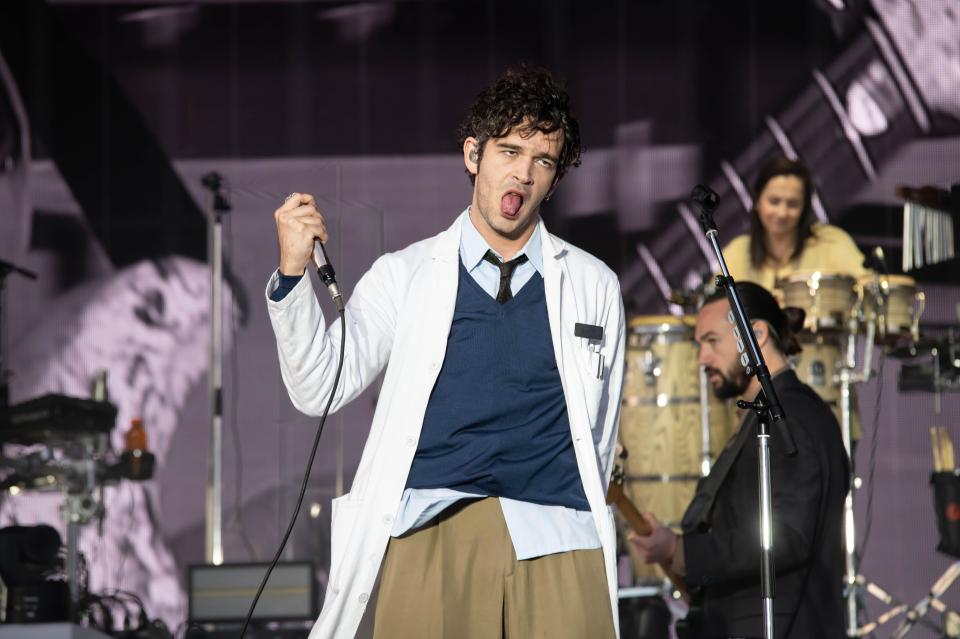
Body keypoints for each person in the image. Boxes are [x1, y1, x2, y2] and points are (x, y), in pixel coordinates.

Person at [266, 66, 625, 639]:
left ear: (555, 180)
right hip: (434, 530)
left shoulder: (593, 284)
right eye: (509, 151)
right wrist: (291, 272)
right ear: (472, 155)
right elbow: (318, 386)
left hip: (560, 537)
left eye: (543, 161)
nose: (523, 173)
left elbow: (599, 430)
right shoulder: (405, 275)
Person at [629, 282, 848, 638]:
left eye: (712, 341)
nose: (702, 358)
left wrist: (685, 552)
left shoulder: (791, 417)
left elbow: (786, 537)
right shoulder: (767, 416)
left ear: (757, 334)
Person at [722, 155, 868, 291]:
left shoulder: (831, 242)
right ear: (757, 201)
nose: (782, 213)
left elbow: (870, 287)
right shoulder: (738, 251)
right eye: (774, 202)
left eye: (792, 204)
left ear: (805, 207)